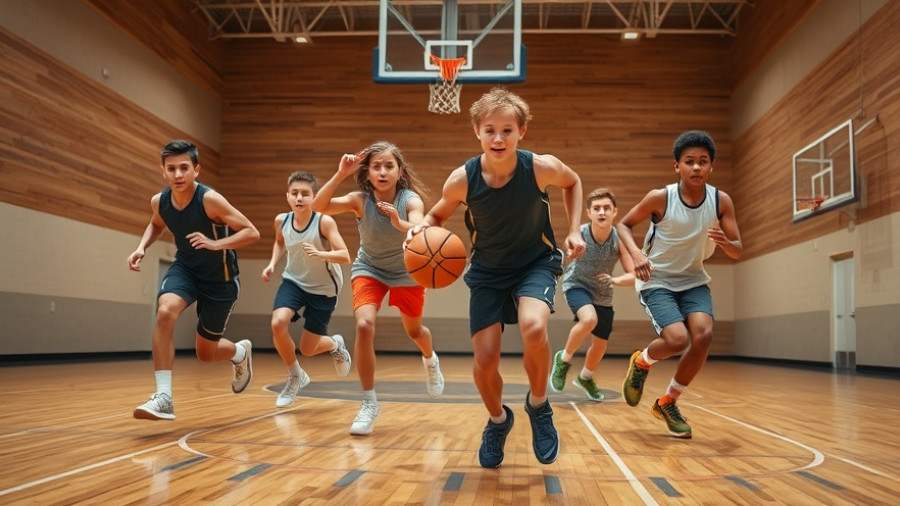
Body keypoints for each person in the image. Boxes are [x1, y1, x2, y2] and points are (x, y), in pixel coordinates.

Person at [407, 87, 586, 468]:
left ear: (521, 131)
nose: (499, 137)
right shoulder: (462, 179)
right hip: (487, 271)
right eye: (490, 130)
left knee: (533, 327)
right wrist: (420, 228)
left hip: (535, 263)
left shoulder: (541, 167)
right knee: (485, 359)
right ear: (477, 131)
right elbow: (436, 215)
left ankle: (538, 405)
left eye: (507, 129)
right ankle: (498, 421)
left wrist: (573, 230)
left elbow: (573, 183)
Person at [311, 141, 445, 436]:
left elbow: (417, 226)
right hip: (369, 269)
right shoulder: (361, 199)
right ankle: (369, 401)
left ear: (399, 171)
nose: (383, 172)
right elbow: (318, 207)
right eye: (376, 167)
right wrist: (339, 174)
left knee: (415, 332)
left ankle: (429, 359)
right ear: (368, 173)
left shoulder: (409, 199)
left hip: (407, 271)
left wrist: (398, 222)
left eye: (389, 166)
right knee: (364, 324)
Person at [617, 130, 742, 438]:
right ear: (677, 166)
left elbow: (738, 250)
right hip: (656, 279)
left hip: (694, 280)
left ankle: (667, 402)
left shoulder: (720, 201)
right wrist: (635, 255)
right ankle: (642, 362)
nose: (696, 167)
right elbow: (624, 225)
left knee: (703, 336)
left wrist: (727, 243)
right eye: (689, 162)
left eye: (703, 162)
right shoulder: (661, 197)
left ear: (711, 166)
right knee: (676, 340)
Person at [127, 140, 260, 420]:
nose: (178, 174)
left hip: (220, 280)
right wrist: (142, 247)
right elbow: (156, 222)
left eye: (184, 168)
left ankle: (239, 352)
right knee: (165, 312)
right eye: (171, 168)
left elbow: (251, 232)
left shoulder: (210, 200)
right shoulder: (159, 201)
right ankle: (164, 397)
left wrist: (214, 244)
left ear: (196, 170)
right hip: (185, 270)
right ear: (163, 171)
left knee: (206, 354)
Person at [261, 171, 353, 408]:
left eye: (305, 194)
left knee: (308, 348)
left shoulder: (324, 221)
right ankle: (295, 376)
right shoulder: (281, 220)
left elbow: (345, 255)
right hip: (294, 281)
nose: (299, 198)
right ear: (288, 196)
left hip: (323, 288)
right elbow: (280, 242)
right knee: (277, 323)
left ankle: (335, 345)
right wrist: (272, 264)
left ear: (314, 197)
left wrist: (322, 254)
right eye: (295, 193)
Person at [549, 188, 635, 402]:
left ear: (615, 212)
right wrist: (570, 255)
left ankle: (586, 377)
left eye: (607, 208)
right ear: (589, 213)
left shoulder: (619, 239)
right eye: (597, 208)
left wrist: (615, 280)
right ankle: (564, 359)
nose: (602, 212)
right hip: (577, 284)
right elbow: (565, 260)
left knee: (600, 344)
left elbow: (634, 274)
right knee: (589, 319)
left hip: (603, 292)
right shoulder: (580, 234)